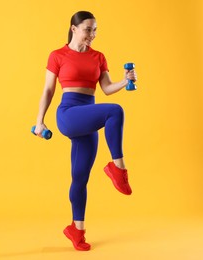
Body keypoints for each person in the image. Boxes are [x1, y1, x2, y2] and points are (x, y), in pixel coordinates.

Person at [34, 11, 137, 251]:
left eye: (95, 30)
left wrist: (125, 80)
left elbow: (107, 89)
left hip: (88, 117)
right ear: (74, 29)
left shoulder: (98, 57)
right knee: (115, 111)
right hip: (69, 114)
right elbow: (48, 90)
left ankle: (76, 229)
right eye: (88, 29)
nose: (92, 34)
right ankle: (117, 168)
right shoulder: (57, 55)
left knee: (80, 178)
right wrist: (39, 121)